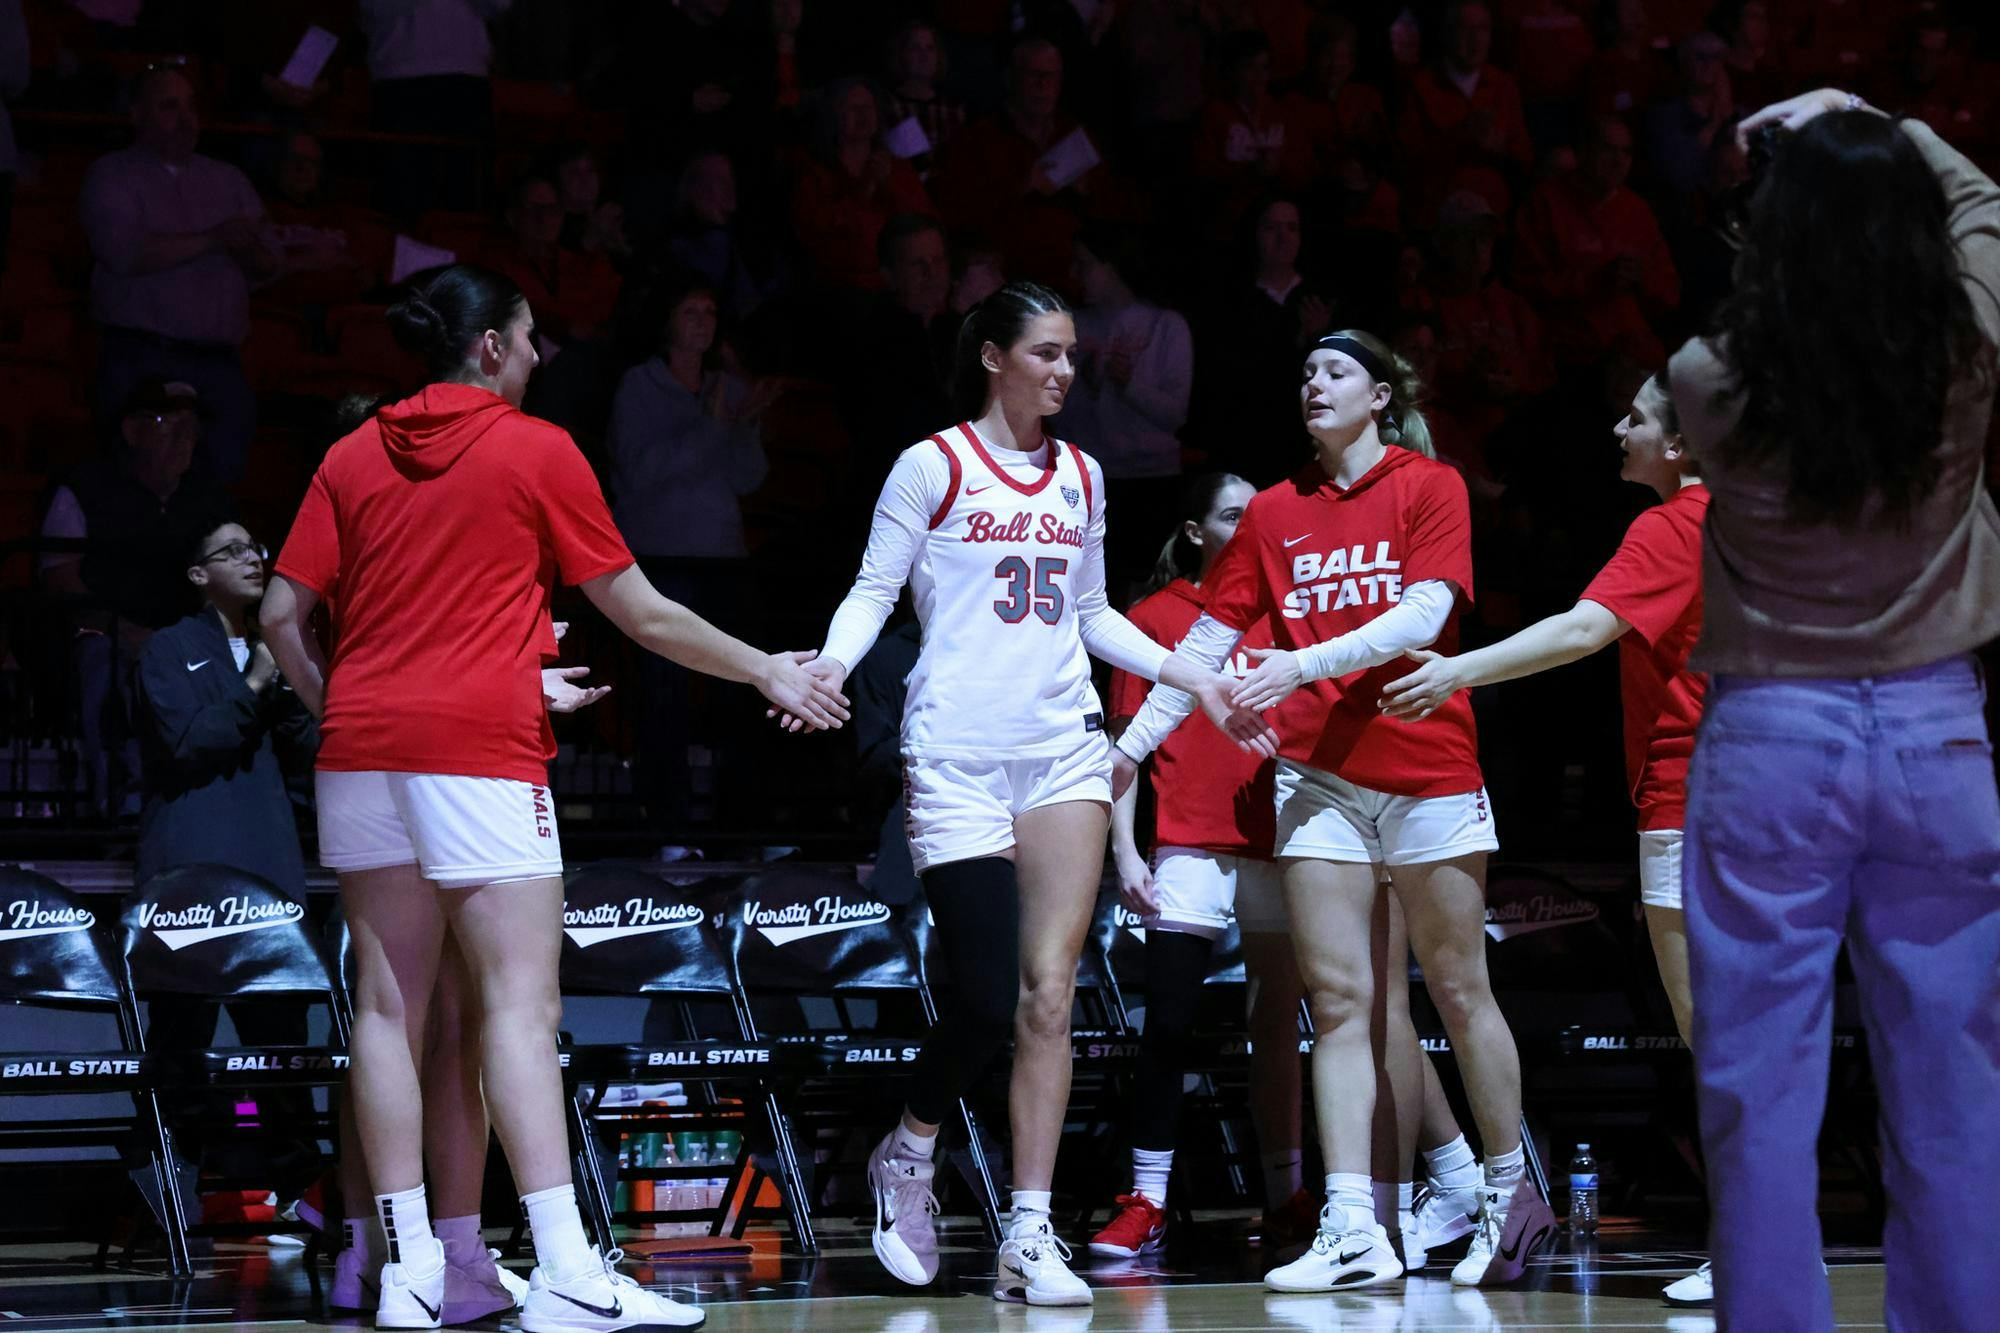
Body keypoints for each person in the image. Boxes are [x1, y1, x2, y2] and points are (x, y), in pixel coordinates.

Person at [260, 263, 844, 1333]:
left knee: (389, 1014)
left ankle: (411, 1271)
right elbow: (642, 612)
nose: (538, 357)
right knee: (520, 1009)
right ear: (489, 347)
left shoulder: (350, 452)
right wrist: (766, 668)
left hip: (360, 753)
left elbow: (279, 615)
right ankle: (572, 1270)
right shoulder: (535, 448)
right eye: (529, 339)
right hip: (478, 754)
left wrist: (345, 705)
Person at [785, 281, 1261, 1307]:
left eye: (1071, 356)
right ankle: (907, 1151)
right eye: (1045, 352)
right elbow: (874, 589)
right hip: (954, 752)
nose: (1064, 372)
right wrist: (827, 666)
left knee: (1052, 997)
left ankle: (1029, 1229)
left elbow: (1091, 612)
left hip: (1061, 751)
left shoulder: (1083, 474)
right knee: (984, 994)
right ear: (994, 356)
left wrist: (1191, 673)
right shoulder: (933, 464)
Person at [1113, 329, 1556, 1291]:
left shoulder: (1427, 485)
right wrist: (1129, 748)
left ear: (1382, 397)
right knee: (1341, 1003)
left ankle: (1511, 1188)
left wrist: (1302, 664)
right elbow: (1208, 641)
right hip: (1316, 780)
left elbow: (1424, 616)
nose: (1312, 383)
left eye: (1335, 371)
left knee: (1459, 989)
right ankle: (1354, 1223)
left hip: (1427, 768)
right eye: (1304, 371)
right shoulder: (1272, 511)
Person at [1660, 90, 2000, 1332]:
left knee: (1756, 1090)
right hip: (1935, 734)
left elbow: (1761, 293)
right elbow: (1983, 206)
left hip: (1771, 744)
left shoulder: (1708, 381)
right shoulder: (1964, 352)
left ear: (1772, 224)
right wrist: (1878, 116)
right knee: (1954, 1088)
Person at [1379, 372, 1712, 1302]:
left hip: (1693, 799)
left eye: (1638, 416)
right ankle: (1775, 1237)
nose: (1619, 424)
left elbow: (1581, 629)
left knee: (1713, 1035)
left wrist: (1457, 671)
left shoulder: (1672, 526)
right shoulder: (1764, 519)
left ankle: (1760, 1241)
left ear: (1681, 445)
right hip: (1769, 797)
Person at [1087, 473, 1313, 1260]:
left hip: (1278, 844)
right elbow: (1122, 746)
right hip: (1185, 843)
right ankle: (1146, 1197)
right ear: (1194, 531)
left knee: (1277, 1026)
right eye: (1231, 515)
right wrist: (1124, 852)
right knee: (1171, 1023)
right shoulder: (1149, 621)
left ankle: (1288, 1198)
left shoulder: (1284, 609)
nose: (1249, 524)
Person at [132, 514, 322, 1193]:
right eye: (233, 549)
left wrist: (292, 672)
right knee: (180, 1048)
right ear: (198, 573)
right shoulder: (167, 649)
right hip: (186, 885)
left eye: (257, 547)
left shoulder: (283, 646)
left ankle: (306, 1200)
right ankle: (164, 1189)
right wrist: (256, 682)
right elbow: (188, 743)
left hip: (268, 877)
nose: (254, 557)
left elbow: (312, 748)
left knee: (284, 1060)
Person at [605, 272, 775, 835]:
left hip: (723, 560)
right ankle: (668, 831)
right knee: (665, 696)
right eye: (691, 311)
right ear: (668, 322)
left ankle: (741, 830)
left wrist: (744, 427)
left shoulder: (723, 387)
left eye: (710, 310)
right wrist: (711, 425)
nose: (704, 320)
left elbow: (748, 478)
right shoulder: (640, 387)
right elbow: (642, 472)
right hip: (661, 563)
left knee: (742, 691)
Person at [41, 379, 235, 819]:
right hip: (104, 632)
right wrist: (122, 632)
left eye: (193, 427)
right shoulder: (83, 488)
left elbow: (228, 583)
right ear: (132, 431)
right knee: (101, 665)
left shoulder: (209, 497)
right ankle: (121, 807)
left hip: (185, 637)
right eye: (172, 424)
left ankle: (210, 813)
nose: (186, 438)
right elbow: (60, 579)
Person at [81, 64, 274, 485]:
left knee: (221, 485)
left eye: (191, 106)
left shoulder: (227, 178)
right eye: (169, 106)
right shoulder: (112, 174)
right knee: (138, 486)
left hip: (220, 363)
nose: (185, 118)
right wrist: (213, 238)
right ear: (137, 114)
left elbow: (269, 264)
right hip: (143, 357)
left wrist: (248, 247)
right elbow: (124, 252)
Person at [1054, 225, 1192, 601]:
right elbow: (1057, 417)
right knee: (1093, 593)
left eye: (1084, 264)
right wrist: (1088, 385)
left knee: (1150, 592)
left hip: (1152, 481)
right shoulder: (1070, 327)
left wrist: (1128, 384)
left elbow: (1175, 415)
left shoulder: (1165, 326)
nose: (1075, 275)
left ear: (1111, 266)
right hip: (1089, 481)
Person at [790, 77, 936, 294]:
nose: (863, 114)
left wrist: (889, 187)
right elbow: (816, 234)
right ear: (833, 115)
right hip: (837, 289)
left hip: (899, 287)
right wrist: (864, 191)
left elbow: (925, 221)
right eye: (852, 107)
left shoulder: (896, 168)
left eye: (868, 107)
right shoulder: (813, 174)